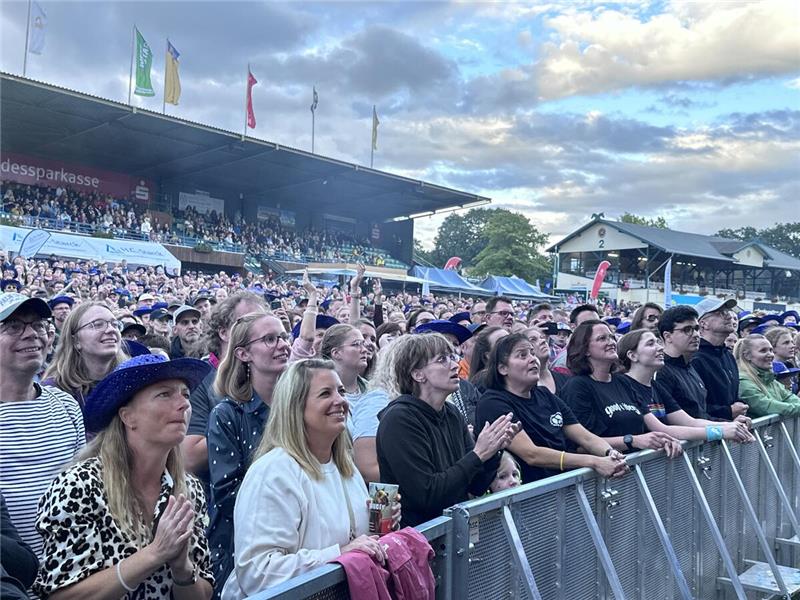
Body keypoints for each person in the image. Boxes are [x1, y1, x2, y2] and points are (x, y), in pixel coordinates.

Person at [33, 354, 214, 599]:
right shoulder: (79, 486)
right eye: (165, 394)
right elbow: (60, 595)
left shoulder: (189, 489)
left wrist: (182, 569)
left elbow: (202, 595)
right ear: (127, 416)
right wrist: (155, 553)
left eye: (185, 394)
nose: (183, 404)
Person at [220, 359, 400, 598]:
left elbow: (353, 541)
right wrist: (340, 554)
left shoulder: (346, 467)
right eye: (326, 393)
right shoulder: (273, 472)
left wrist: (378, 528)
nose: (340, 401)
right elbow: (258, 573)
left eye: (341, 391)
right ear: (295, 406)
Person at [376, 333, 518, 527]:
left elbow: (475, 485)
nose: (454, 365)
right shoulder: (399, 419)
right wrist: (478, 454)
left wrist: (493, 451)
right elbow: (426, 495)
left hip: (452, 537)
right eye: (442, 359)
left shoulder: (451, 413)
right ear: (418, 374)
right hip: (418, 540)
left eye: (453, 357)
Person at [206, 313, 290, 597]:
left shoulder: (300, 409)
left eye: (283, 336)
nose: (282, 345)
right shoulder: (228, 414)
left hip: (295, 544)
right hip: (241, 551)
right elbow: (227, 492)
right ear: (243, 353)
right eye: (269, 339)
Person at [477, 334, 629, 484]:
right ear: (503, 368)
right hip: (527, 498)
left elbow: (585, 437)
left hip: (562, 491)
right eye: (522, 355)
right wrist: (593, 461)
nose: (532, 359)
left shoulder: (545, 395)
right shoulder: (493, 403)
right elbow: (532, 454)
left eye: (532, 353)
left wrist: (611, 454)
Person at [0, 293, 85, 557]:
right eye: (13, 326)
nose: (32, 334)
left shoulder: (66, 405)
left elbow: (84, 489)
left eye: (38, 325)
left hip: (73, 578)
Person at [560, 320, 682, 456]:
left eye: (612, 337)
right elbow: (580, 445)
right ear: (585, 349)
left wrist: (665, 440)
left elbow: (654, 428)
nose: (611, 342)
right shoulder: (577, 387)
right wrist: (631, 441)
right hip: (603, 472)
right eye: (602, 338)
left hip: (636, 469)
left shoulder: (623, 381)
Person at [182, 291, 266, 482]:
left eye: (263, 321)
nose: (261, 330)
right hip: (221, 496)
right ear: (223, 332)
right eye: (248, 322)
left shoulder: (270, 375)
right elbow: (190, 457)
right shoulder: (199, 378)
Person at [618, 330, 753, 442]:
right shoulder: (624, 385)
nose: (660, 348)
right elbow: (662, 429)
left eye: (659, 343)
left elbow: (689, 421)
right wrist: (719, 432)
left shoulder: (655, 386)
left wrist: (730, 426)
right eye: (650, 344)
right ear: (632, 355)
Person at [348, 336, 415, 483]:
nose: (453, 364)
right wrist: (419, 481)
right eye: (439, 360)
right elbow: (367, 469)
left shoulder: (443, 408)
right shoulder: (378, 401)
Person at [42, 301, 128, 413]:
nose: (111, 329)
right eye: (98, 324)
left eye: (115, 324)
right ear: (75, 340)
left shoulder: (131, 384)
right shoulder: (53, 393)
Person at [691, 298, 749, 420]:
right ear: (703, 323)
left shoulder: (728, 356)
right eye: (720, 313)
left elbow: (731, 396)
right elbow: (694, 407)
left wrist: (740, 406)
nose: (728, 316)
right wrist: (727, 412)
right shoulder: (695, 358)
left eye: (728, 311)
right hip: (708, 433)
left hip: (729, 431)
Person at [735, 334, 800, 416]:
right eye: (763, 351)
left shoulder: (769, 378)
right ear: (747, 356)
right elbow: (767, 407)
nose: (770, 354)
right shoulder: (742, 381)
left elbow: (788, 397)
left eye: (771, 350)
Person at [524, 326, 570, 396]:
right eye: (533, 340)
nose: (543, 341)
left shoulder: (566, 379)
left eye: (542, 338)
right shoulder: (524, 388)